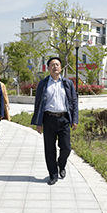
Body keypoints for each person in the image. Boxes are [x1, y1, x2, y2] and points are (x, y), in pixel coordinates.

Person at [31, 57, 79, 185]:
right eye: (52, 65)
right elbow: (38, 103)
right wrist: (38, 123)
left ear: (61, 67)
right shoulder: (43, 83)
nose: (55, 67)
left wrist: (74, 119)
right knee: (49, 148)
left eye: (57, 64)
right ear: (48, 68)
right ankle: (53, 174)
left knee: (66, 147)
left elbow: (74, 101)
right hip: (48, 118)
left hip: (64, 118)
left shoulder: (68, 83)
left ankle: (61, 164)